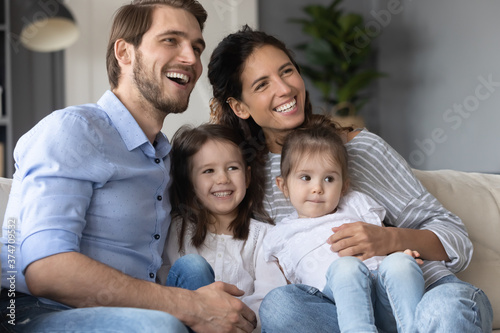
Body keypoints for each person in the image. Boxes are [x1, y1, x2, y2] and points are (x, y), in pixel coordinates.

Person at [207, 25, 493, 332]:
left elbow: (455, 238)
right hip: (345, 316)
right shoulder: (248, 177)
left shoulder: (359, 148)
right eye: (262, 85)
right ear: (239, 106)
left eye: (287, 71)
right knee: (281, 306)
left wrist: (388, 239)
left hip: (424, 295)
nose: (285, 89)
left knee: (445, 308)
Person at [0, 2, 257, 332]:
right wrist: (189, 306)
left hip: (136, 310)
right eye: (171, 41)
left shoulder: (167, 157)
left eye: (196, 47)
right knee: (162, 328)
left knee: (195, 270)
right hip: (36, 313)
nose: (192, 60)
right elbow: (47, 270)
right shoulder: (74, 130)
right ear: (124, 52)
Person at [263, 118, 425, 332]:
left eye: (329, 179)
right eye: (305, 177)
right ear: (283, 186)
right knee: (345, 267)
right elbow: (288, 288)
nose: (317, 188)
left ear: (343, 186)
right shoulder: (281, 234)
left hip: (383, 293)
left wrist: (402, 254)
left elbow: (382, 238)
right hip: (334, 305)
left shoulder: (356, 204)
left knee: (400, 264)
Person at [162, 123, 287, 332]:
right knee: (193, 266)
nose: (222, 179)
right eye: (208, 171)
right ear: (189, 182)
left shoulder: (264, 236)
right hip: (185, 323)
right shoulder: (175, 229)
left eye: (232, 168)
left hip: (242, 329)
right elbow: (163, 281)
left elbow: (270, 296)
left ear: (247, 177)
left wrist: (234, 319)